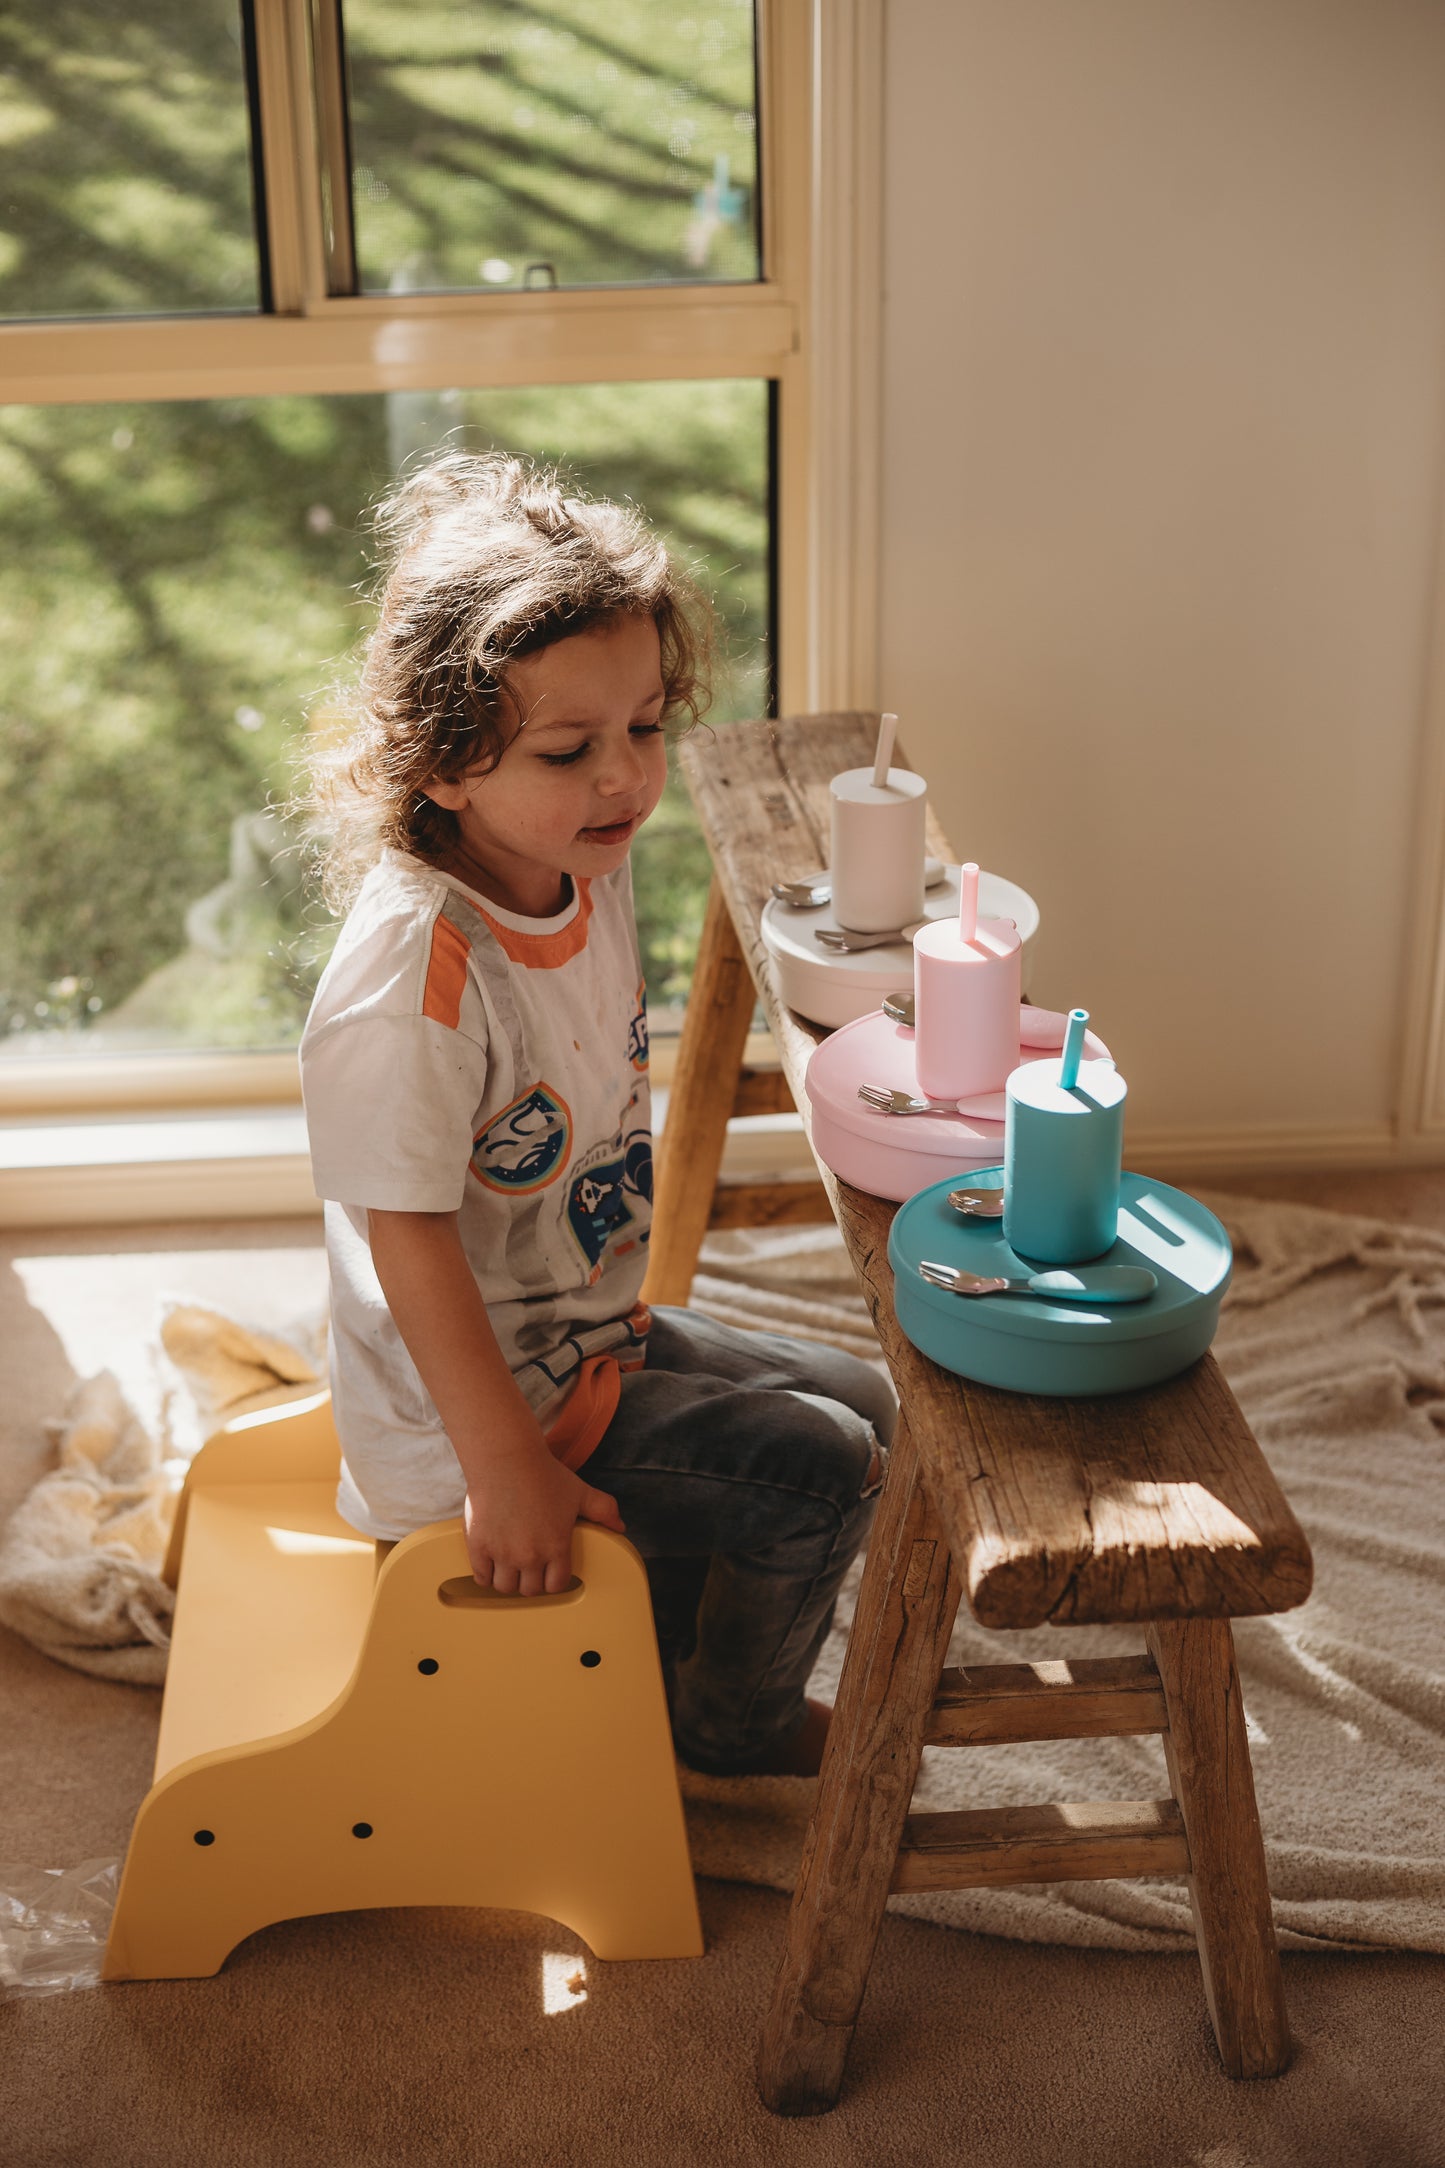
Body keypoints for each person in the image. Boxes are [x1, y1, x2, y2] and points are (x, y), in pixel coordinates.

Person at [299, 451, 893, 1777]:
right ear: (441, 766)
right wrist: (500, 1469)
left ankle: (677, 1638)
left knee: (870, 1405)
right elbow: (403, 1243)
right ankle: (720, 1733)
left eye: (645, 726)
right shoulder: (415, 988)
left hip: (581, 1334)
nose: (625, 779)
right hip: (481, 1414)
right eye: (570, 749)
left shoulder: (569, 857)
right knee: (821, 1470)